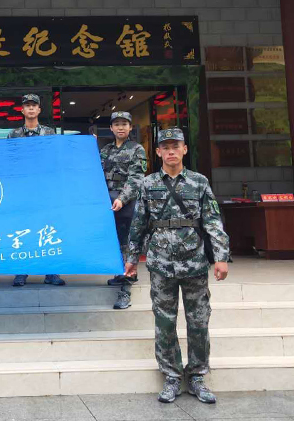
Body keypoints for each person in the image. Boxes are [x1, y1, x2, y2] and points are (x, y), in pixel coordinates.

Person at [125, 128, 230, 405]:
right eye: (165, 147)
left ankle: (197, 376)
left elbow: (212, 221)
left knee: (198, 321)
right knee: (164, 322)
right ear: (158, 152)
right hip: (161, 263)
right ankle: (171, 376)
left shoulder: (199, 182)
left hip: (194, 262)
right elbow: (138, 223)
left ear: (185, 149)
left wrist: (221, 256)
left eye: (176, 146)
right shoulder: (148, 184)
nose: (171, 151)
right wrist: (132, 258)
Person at [6, 93, 65, 287]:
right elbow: (8, 162)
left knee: (47, 228)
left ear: (39, 110)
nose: (31, 108)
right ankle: (21, 271)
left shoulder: (50, 133)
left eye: (34, 105)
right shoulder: (13, 135)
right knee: (22, 229)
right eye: (27, 105)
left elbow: (57, 159)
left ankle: (51, 271)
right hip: (22, 192)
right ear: (22, 110)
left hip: (45, 191)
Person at [100, 111, 147, 310]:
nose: (120, 127)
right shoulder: (106, 150)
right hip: (108, 201)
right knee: (114, 242)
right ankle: (120, 274)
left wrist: (122, 198)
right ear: (111, 128)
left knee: (129, 244)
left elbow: (136, 178)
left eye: (124, 124)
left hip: (127, 202)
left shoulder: (137, 149)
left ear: (130, 127)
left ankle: (125, 290)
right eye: (117, 124)